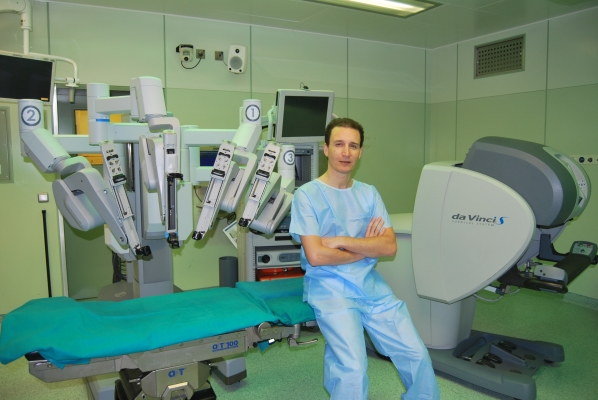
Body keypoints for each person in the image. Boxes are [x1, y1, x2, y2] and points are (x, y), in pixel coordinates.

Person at [289, 118, 440, 400]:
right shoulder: (306, 196)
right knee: (353, 368)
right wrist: (366, 248)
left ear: (360, 152)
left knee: (416, 353)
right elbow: (317, 256)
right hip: (330, 289)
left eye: (353, 146)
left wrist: (342, 241)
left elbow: (389, 246)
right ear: (326, 149)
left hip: (370, 285)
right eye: (339, 144)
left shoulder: (368, 193)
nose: (346, 152)